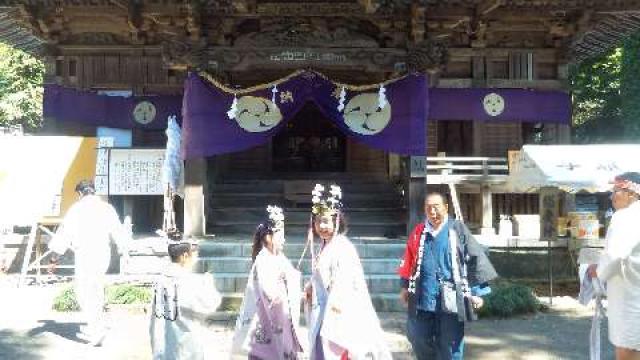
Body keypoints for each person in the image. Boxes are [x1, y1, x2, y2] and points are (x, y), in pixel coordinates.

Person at [398, 192, 498, 360]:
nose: (432, 211)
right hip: (423, 295)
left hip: (452, 297)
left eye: (436, 207)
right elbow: (409, 260)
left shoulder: (457, 230)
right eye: (428, 208)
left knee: (450, 345)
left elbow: (474, 258)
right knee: (418, 338)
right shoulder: (418, 231)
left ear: (446, 207)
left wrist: (476, 292)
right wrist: (405, 286)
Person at [305, 184, 391, 360]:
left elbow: (343, 283)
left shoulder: (342, 247)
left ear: (337, 221)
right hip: (323, 309)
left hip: (339, 311)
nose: (322, 226)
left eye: (326, 221)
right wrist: (311, 287)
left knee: (338, 351)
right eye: (318, 221)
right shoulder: (325, 246)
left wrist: (334, 308)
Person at [48, 179, 129, 346]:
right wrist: (123, 250)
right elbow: (117, 230)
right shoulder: (107, 208)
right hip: (103, 253)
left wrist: (54, 258)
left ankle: (95, 329)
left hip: (86, 253)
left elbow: (64, 234)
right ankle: (95, 325)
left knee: (84, 291)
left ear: (80, 193)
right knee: (96, 289)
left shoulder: (76, 209)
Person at [231, 205, 303, 360]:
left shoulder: (278, 257)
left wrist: (292, 277)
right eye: (280, 235)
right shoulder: (264, 259)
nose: (284, 239)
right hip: (267, 318)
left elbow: (288, 277)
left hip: (279, 319)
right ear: (269, 237)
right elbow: (269, 292)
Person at [588, 172, 640, 360]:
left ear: (631, 193)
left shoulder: (625, 217)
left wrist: (597, 272)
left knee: (628, 350)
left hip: (630, 298)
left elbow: (614, 255)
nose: (612, 196)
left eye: (616, 190)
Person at [150, 231, 222, 360]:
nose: (195, 260)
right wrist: (208, 283)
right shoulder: (190, 281)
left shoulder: (159, 280)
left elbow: (154, 316)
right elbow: (209, 305)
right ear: (184, 256)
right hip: (187, 341)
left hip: (165, 340)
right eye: (194, 256)